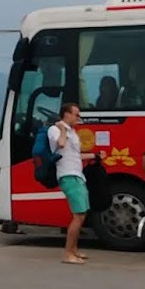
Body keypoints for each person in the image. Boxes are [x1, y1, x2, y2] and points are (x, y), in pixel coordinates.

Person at [50, 102, 91, 265]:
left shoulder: (73, 132)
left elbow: (75, 155)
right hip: (68, 175)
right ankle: (67, 254)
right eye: (76, 114)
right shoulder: (55, 129)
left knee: (83, 214)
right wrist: (62, 129)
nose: (78, 117)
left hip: (78, 175)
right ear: (66, 114)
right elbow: (60, 144)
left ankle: (74, 249)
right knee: (78, 215)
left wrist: (94, 156)